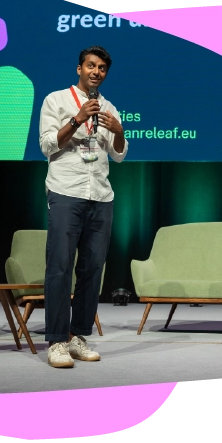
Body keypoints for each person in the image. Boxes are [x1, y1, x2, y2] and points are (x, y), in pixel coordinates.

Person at [39, 45, 128, 367]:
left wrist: (118, 132)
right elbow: (47, 145)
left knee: (92, 270)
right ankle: (56, 341)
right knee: (60, 267)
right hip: (66, 191)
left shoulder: (109, 108)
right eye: (91, 66)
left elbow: (119, 154)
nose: (96, 72)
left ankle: (78, 336)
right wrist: (77, 119)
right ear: (80, 69)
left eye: (102, 68)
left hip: (101, 196)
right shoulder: (56, 100)